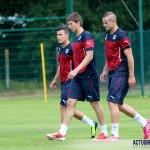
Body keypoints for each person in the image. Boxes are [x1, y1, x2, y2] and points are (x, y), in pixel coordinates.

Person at [47, 12, 108, 141]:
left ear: (78, 23)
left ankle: (104, 132)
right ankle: (62, 133)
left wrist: (75, 70)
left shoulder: (86, 35)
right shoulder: (76, 39)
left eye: (70, 24)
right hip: (78, 77)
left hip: (89, 76)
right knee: (70, 103)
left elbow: (89, 56)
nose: (69, 26)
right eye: (68, 24)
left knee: (94, 103)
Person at [100, 11, 150, 141]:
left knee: (112, 102)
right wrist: (104, 71)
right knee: (118, 104)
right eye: (103, 22)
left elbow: (129, 55)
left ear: (112, 21)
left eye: (105, 23)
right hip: (112, 72)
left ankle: (115, 135)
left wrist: (131, 75)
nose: (104, 25)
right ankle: (145, 123)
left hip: (121, 72)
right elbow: (110, 56)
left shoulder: (122, 35)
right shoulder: (107, 35)